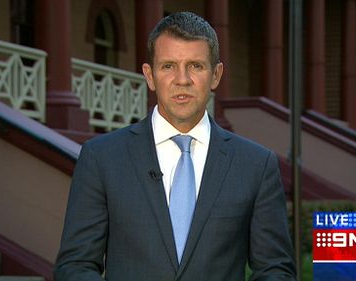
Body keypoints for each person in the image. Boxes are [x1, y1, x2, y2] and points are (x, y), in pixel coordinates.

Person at [54, 11, 296, 281]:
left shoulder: (256, 165)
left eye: (195, 65)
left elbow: (275, 270)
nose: (182, 79)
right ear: (150, 75)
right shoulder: (101, 158)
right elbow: (75, 266)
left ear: (216, 75)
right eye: (168, 66)